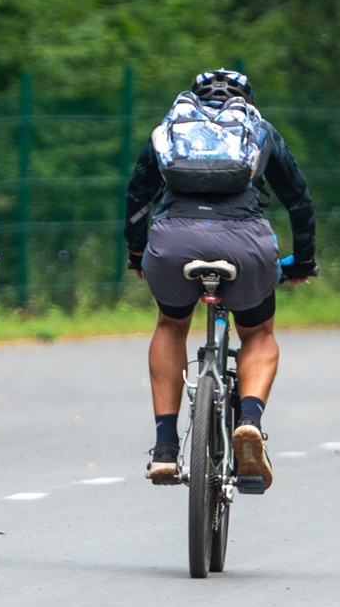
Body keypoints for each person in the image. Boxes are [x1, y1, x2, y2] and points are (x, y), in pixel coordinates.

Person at [123, 68, 315, 491]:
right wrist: (302, 260)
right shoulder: (259, 131)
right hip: (245, 247)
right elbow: (298, 200)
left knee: (171, 325)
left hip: (172, 244)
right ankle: (248, 421)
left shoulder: (170, 129)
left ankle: (165, 448)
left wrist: (138, 254)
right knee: (259, 332)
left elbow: (138, 195)